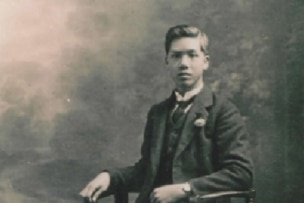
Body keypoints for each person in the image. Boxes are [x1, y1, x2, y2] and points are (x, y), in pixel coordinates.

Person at [80, 24, 253, 203]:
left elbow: (241, 174)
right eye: (176, 56)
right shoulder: (158, 113)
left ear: (205, 61)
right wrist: (110, 176)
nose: (184, 63)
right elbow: (146, 171)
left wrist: (186, 189)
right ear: (167, 62)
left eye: (192, 55)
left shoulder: (223, 112)